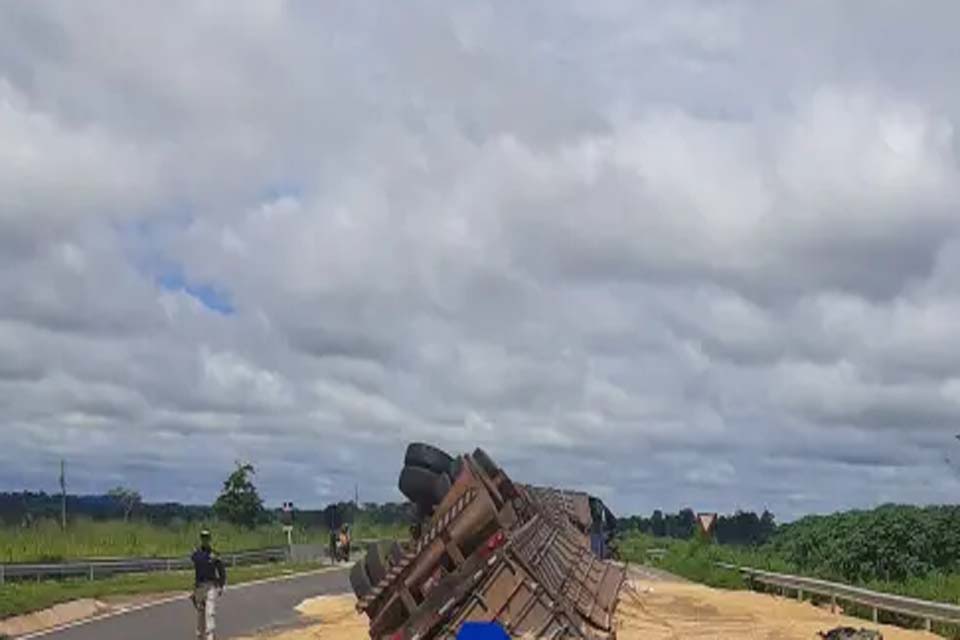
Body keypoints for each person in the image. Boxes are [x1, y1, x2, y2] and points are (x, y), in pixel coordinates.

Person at [191, 528, 226, 640]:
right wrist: (194, 591)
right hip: (199, 587)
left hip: (211, 586)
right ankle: (200, 636)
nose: (204, 539)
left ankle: (210, 636)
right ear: (200, 539)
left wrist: (221, 585)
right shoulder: (196, 554)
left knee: (210, 612)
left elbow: (221, 571)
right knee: (200, 614)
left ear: (209, 539)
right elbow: (196, 569)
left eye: (206, 537)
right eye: (202, 537)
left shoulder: (214, 555)